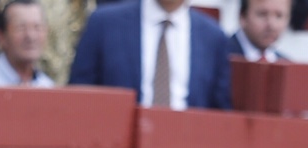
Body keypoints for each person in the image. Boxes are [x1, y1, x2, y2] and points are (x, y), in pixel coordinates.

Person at [69, 0, 232, 109]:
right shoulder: (104, 23)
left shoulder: (214, 37)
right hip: (114, 147)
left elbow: (220, 109)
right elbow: (78, 97)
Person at [0, 0, 59, 84]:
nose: (31, 36)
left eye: (37, 27)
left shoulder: (47, 86)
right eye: (21, 28)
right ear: (1, 36)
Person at [227, 0, 291, 60]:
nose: (272, 25)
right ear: (243, 16)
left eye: (279, 16)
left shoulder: (287, 65)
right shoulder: (221, 56)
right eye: (262, 14)